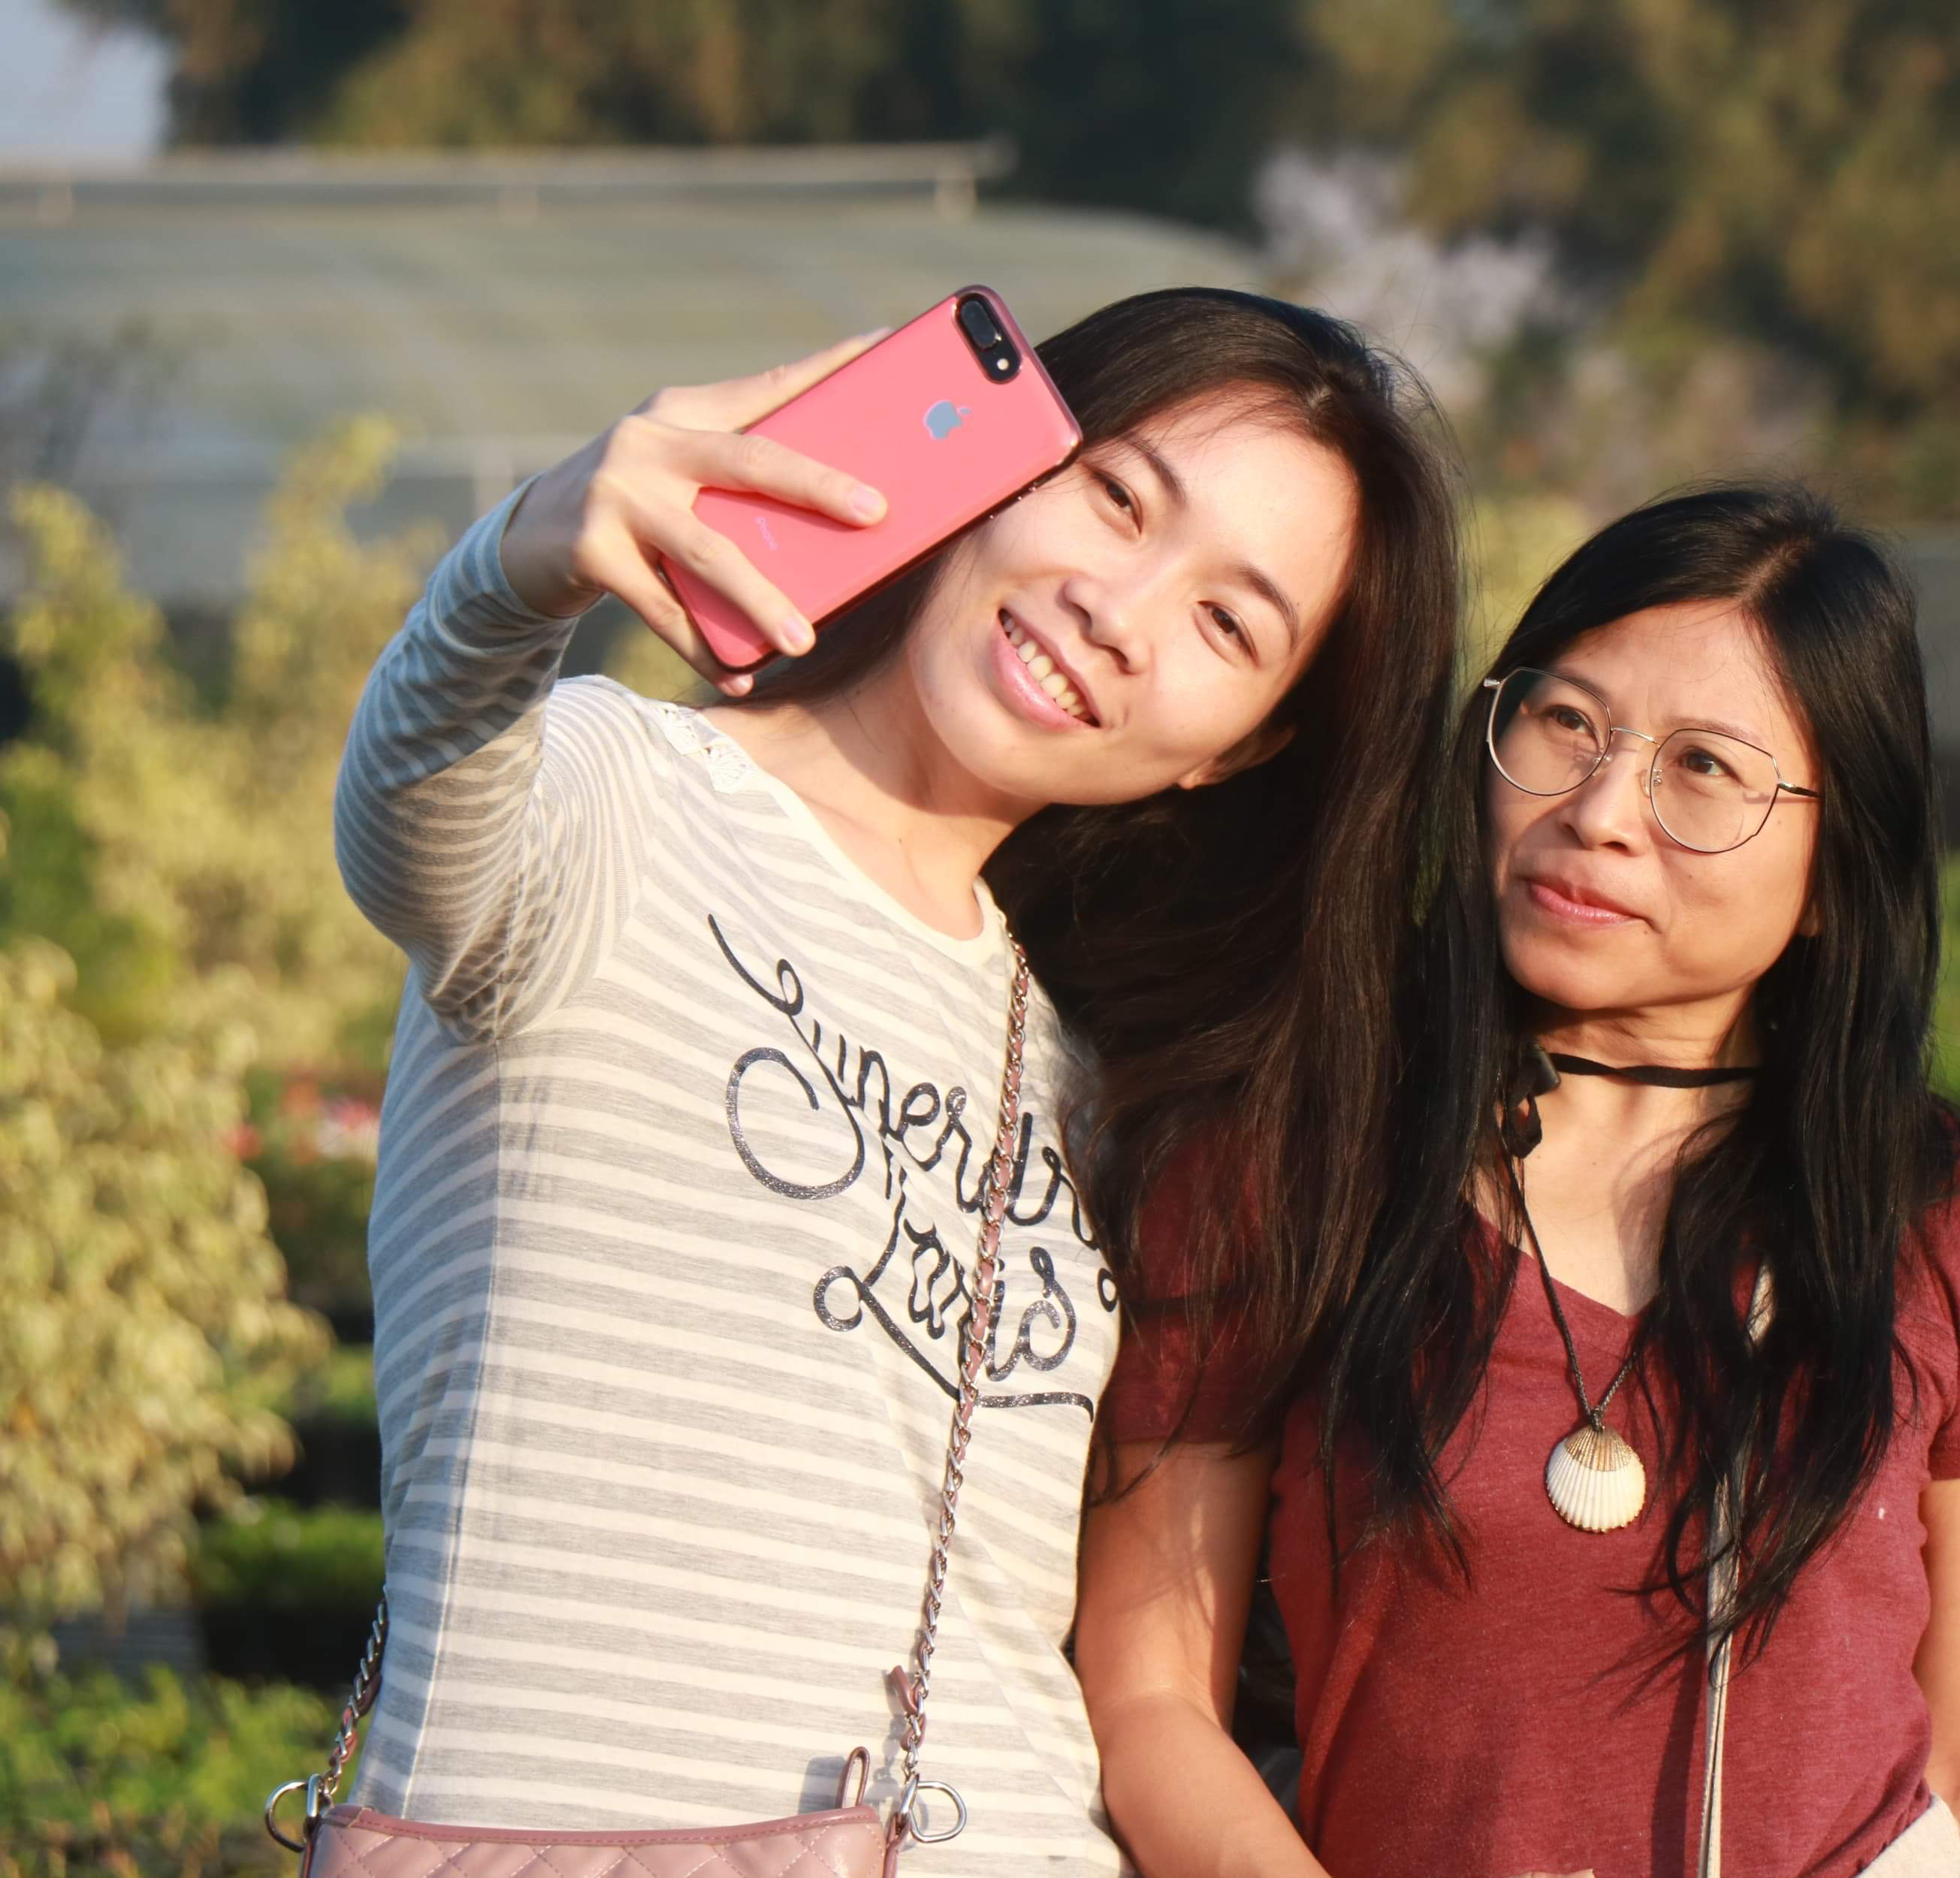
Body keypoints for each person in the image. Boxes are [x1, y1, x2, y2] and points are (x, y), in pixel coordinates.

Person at [331, 288, 1461, 1875]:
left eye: (1228, 623)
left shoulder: (1078, 1074)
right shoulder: (618, 799)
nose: (1119, 607)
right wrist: (522, 559)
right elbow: (405, 804)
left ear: (1240, 750)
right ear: (990, 465)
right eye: (1119, 495)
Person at [1080, 485, 1960, 1878]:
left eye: (1704, 769)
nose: (1601, 812)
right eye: (1566, 722)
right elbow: (1148, 1698)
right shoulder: (1283, 1158)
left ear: (1833, 867)